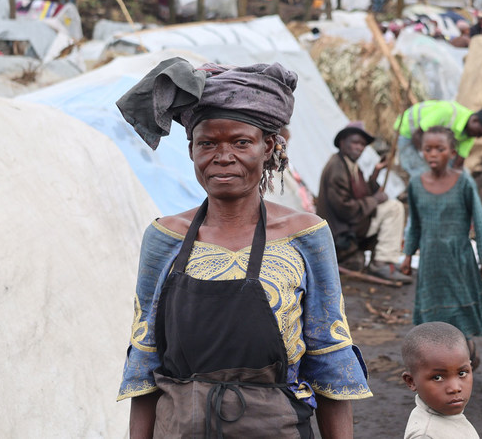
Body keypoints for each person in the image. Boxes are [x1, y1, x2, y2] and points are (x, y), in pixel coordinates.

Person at [115, 58, 370, 438]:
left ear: (268, 147)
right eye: (207, 143)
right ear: (191, 151)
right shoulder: (165, 237)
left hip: (276, 428)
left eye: (240, 142)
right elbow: (144, 355)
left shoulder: (305, 235)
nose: (223, 156)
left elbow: (329, 356)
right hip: (180, 429)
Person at [400, 127, 482, 368]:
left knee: (459, 312)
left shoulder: (463, 182)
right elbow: (415, 224)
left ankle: (466, 350)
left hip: (459, 260)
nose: (433, 154)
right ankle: (443, 363)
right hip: (431, 262)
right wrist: (407, 256)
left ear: (452, 152)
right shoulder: (416, 184)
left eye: (439, 149)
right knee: (432, 314)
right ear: (421, 152)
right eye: (428, 149)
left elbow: (480, 221)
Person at [317, 122, 409, 283]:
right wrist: (375, 200)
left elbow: (362, 193)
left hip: (351, 224)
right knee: (394, 208)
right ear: (342, 143)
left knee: (390, 206)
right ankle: (382, 262)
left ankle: (381, 260)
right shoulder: (337, 168)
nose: (359, 147)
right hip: (341, 231)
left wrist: (375, 174)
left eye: (362, 144)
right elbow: (345, 209)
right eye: (355, 142)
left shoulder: (350, 165)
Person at [401, 322, 480, 439]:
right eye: (437, 377)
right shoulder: (426, 435)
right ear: (411, 381)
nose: (455, 388)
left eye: (462, 373)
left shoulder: (449, 417)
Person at [393, 100, 482, 178]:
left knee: (464, 175)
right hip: (408, 133)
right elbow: (418, 135)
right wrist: (431, 163)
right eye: (479, 133)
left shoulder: (471, 135)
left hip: (429, 143)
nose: (477, 137)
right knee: (424, 173)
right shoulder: (448, 112)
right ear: (475, 120)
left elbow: (457, 164)